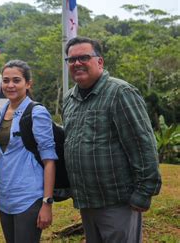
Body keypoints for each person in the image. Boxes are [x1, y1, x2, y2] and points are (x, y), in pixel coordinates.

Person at [62, 37, 162, 242]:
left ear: (100, 62)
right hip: (87, 201)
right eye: (71, 60)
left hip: (118, 201)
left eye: (84, 57)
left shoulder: (120, 92)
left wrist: (144, 192)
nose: (77, 63)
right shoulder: (70, 99)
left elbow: (143, 144)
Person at [0, 60, 57, 243]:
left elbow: (49, 160)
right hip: (5, 197)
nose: (10, 85)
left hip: (29, 197)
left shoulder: (37, 113)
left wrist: (47, 203)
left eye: (16, 80)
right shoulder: (2, 112)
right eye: (6, 80)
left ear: (28, 83)